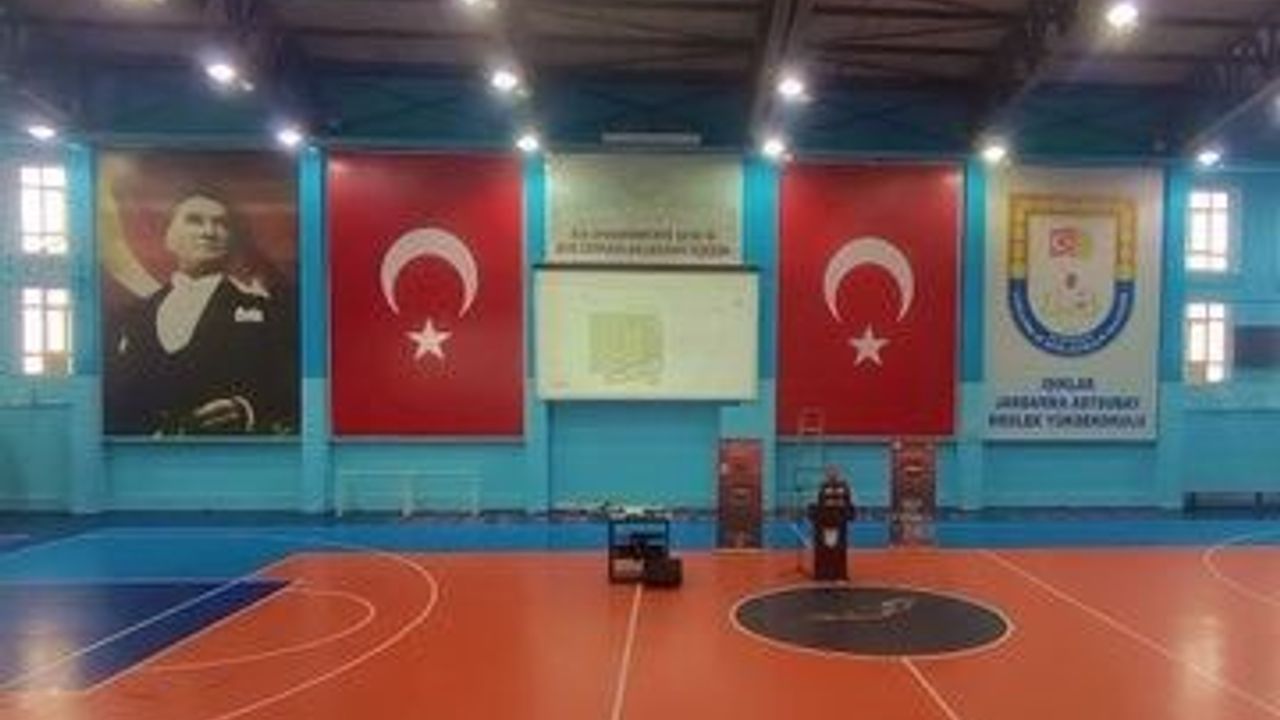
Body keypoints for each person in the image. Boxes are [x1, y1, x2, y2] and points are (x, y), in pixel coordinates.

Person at [105, 191, 297, 435]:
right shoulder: (134, 316)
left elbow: (293, 387)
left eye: (221, 224)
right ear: (169, 237)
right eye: (195, 221)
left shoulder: (269, 311)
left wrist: (247, 410)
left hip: (227, 451)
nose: (209, 232)